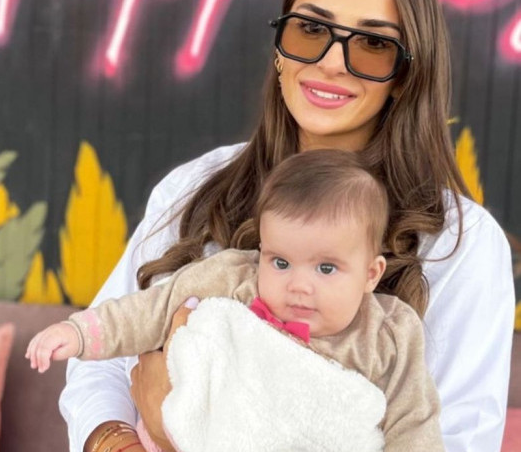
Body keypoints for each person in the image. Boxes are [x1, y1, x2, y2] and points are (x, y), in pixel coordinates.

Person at [60, 0, 515, 452]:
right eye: (311, 29)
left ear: (406, 74)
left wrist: (171, 428)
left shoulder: (459, 245)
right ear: (280, 47)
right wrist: (117, 443)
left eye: (373, 44)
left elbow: (457, 440)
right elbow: (99, 363)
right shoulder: (193, 188)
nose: (332, 63)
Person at [28, 149, 444, 451]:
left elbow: (414, 423)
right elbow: (152, 309)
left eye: (326, 268)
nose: (299, 286)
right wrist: (79, 332)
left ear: (371, 274)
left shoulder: (388, 333)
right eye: (280, 262)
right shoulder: (234, 277)